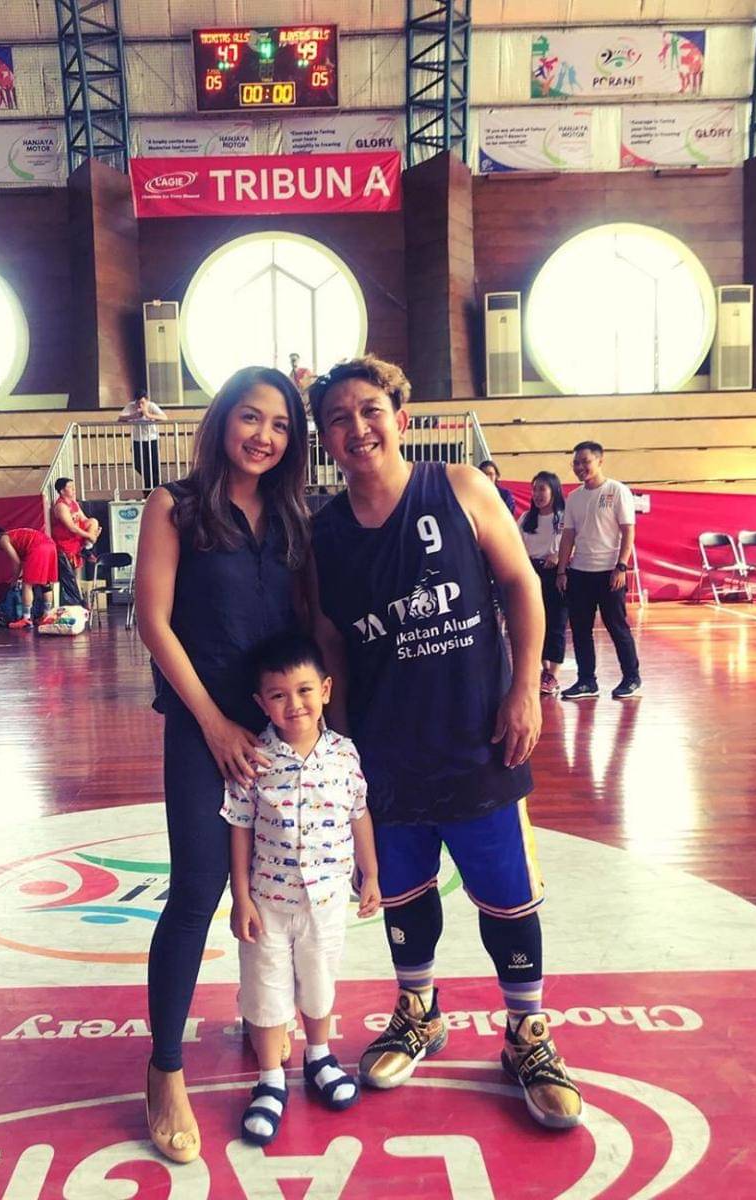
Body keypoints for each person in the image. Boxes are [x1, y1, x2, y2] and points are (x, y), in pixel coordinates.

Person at [308, 356, 582, 1130]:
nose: (357, 427)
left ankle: (527, 1034)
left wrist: (524, 688)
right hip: (385, 753)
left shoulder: (460, 487)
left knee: (508, 897)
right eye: (338, 418)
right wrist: (338, 747)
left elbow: (522, 585)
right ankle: (419, 1012)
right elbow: (330, 642)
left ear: (400, 417)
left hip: (479, 740)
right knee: (401, 893)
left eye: (370, 410)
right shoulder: (322, 535)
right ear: (324, 438)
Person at [134, 365, 310, 1164]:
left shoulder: (295, 515)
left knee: (275, 888)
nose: (264, 436)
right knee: (199, 890)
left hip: (280, 732)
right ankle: (165, 1068)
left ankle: (261, 1015)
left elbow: (311, 624)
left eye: (281, 424)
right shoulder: (174, 505)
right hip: (203, 729)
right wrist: (210, 723)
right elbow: (153, 621)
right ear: (221, 421)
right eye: (251, 417)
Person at [222, 632, 380, 1145]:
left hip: (327, 900)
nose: (294, 705)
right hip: (268, 902)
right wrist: (241, 897)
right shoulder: (253, 758)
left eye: (305, 690)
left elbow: (359, 813)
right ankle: (270, 1080)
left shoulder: (344, 754)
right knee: (265, 989)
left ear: (326, 690)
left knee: (319, 981)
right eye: (278, 695)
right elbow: (240, 826)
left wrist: (371, 873)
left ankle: (319, 1056)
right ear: (260, 702)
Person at [556, 441, 642, 701]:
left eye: (585, 461)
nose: (580, 467)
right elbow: (568, 536)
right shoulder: (574, 497)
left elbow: (628, 531)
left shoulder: (617, 491)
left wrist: (621, 566)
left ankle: (632, 678)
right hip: (580, 572)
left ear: (600, 461)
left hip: (609, 573)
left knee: (617, 627)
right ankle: (586, 681)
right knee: (580, 630)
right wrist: (562, 571)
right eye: (576, 463)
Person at [518, 472, 568, 698]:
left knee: (556, 623)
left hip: (556, 574)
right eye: (534, 489)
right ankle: (542, 670)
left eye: (542, 489)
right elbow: (516, 545)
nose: (537, 494)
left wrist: (558, 557)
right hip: (531, 572)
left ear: (554, 491)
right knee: (533, 622)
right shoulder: (526, 518)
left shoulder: (564, 517)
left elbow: (575, 543)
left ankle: (553, 674)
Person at [0, 526, 58, 629]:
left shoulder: (3, 539)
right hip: (51, 545)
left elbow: (17, 562)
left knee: (27, 584)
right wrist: (19, 576)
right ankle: (46, 615)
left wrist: (14, 580)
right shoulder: (16, 535)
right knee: (46, 583)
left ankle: (26, 619)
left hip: (38, 547)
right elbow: (22, 562)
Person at [50, 477, 101, 605]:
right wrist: (90, 536)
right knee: (71, 577)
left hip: (76, 542)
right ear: (62, 491)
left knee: (93, 521)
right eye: (70, 487)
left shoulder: (74, 504)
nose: (74, 489)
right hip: (64, 544)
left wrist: (93, 533)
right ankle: (77, 601)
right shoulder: (60, 506)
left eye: (74, 487)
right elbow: (71, 527)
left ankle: (87, 548)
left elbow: (84, 520)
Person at [119, 390, 167, 490]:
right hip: (137, 439)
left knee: (153, 465)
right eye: (138, 403)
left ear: (147, 400)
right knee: (138, 464)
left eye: (142, 403)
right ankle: (157, 484)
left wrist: (148, 415)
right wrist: (134, 415)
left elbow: (164, 417)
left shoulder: (152, 406)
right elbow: (120, 418)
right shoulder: (131, 406)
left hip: (152, 439)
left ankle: (150, 489)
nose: (140, 405)